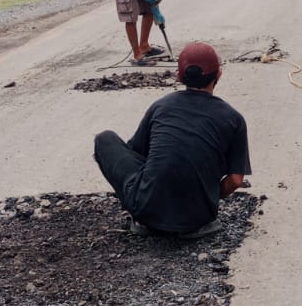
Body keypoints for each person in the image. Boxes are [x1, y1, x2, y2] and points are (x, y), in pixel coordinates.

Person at [93, 42, 252, 239]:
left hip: (145, 211)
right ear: (218, 75)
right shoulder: (234, 119)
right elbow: (236, 180)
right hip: (199, 218)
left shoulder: (161, 106)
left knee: (105, 139)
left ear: (178, 76)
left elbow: (137, 153)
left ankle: (144, 219)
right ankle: (189, 216)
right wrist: (207, 195)